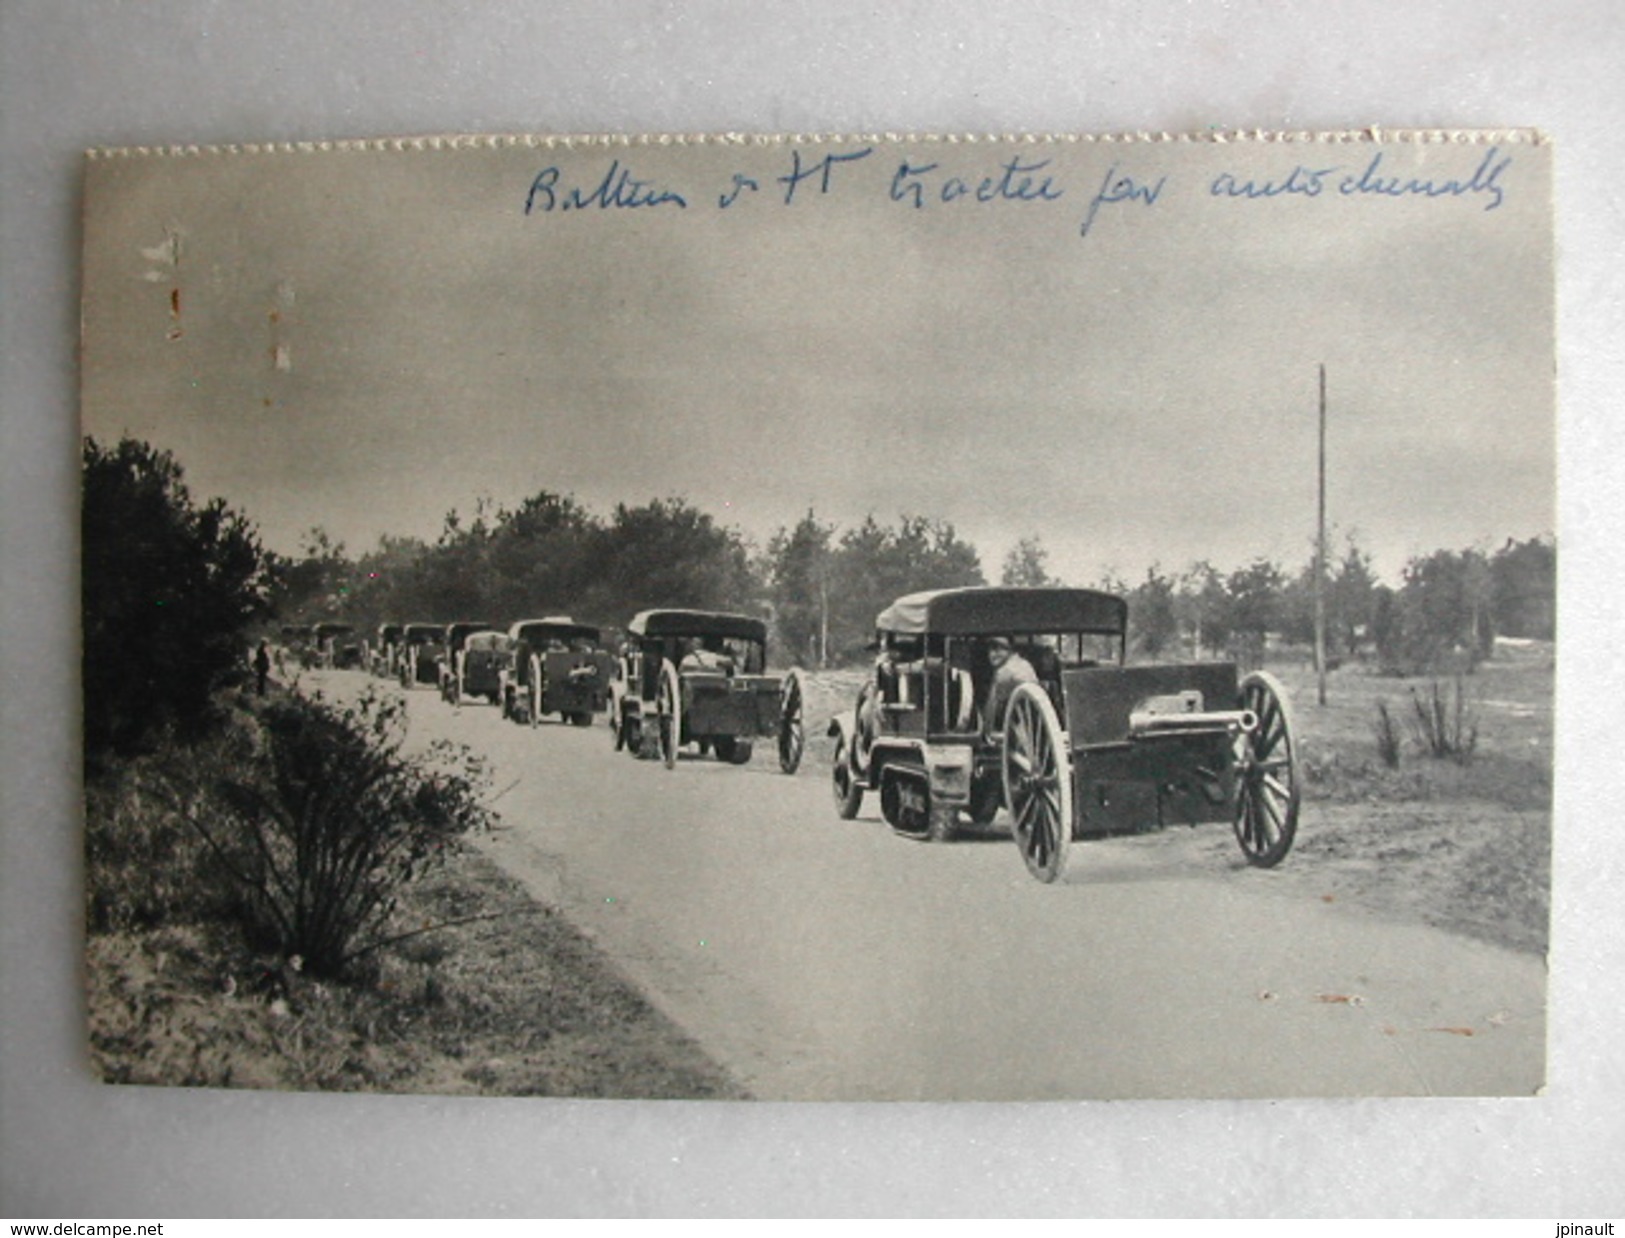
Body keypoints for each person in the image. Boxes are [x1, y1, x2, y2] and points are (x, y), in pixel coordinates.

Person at [980, 636, 1037, 741]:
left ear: (1010, 650)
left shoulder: (1005, 671)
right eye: (990, 650)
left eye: (999, 649)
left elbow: (993, 707)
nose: (992, 655)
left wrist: (985, 734)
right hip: (1033, 727)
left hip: (1019, 730)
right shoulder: (1024, 664)